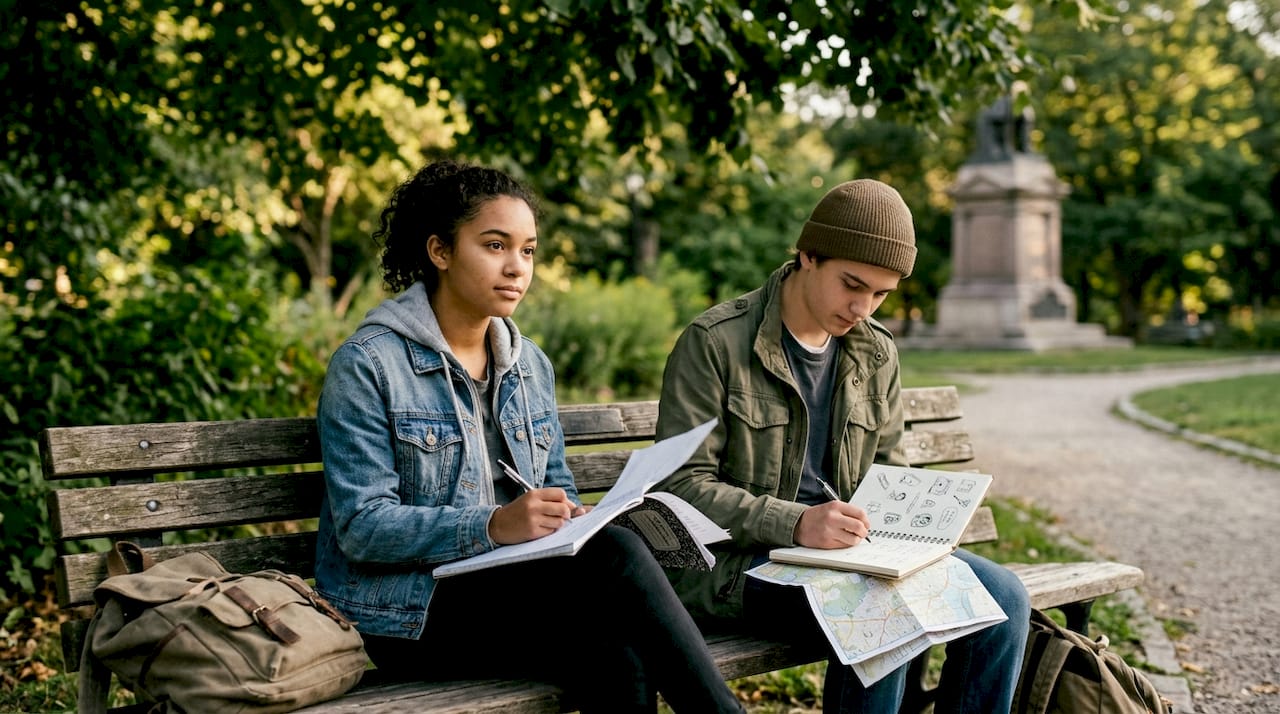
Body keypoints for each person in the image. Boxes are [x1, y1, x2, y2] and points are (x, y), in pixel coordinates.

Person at [313, 159, 744, 714]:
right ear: (439, 252)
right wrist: (494, 525)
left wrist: (573, 515)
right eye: (495, 245)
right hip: (409, 613)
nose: (517, 267)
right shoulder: (370, 364)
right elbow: (362, 527)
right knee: (614, 566)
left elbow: (555, 484)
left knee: (620, 641)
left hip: (517, 594)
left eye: (528, 250)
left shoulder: (528, 365)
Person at [654, 178, 1032, 713]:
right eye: (852, 284)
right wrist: (797, 523)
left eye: (880, 294)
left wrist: (909, 530)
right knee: (884, 613)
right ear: (808, 255)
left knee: (1005, 599)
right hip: (738, 565)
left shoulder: (876, 352)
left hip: (853, 558)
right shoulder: (715, 343)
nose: (863, 307)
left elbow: (889, 468)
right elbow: (680, 487)